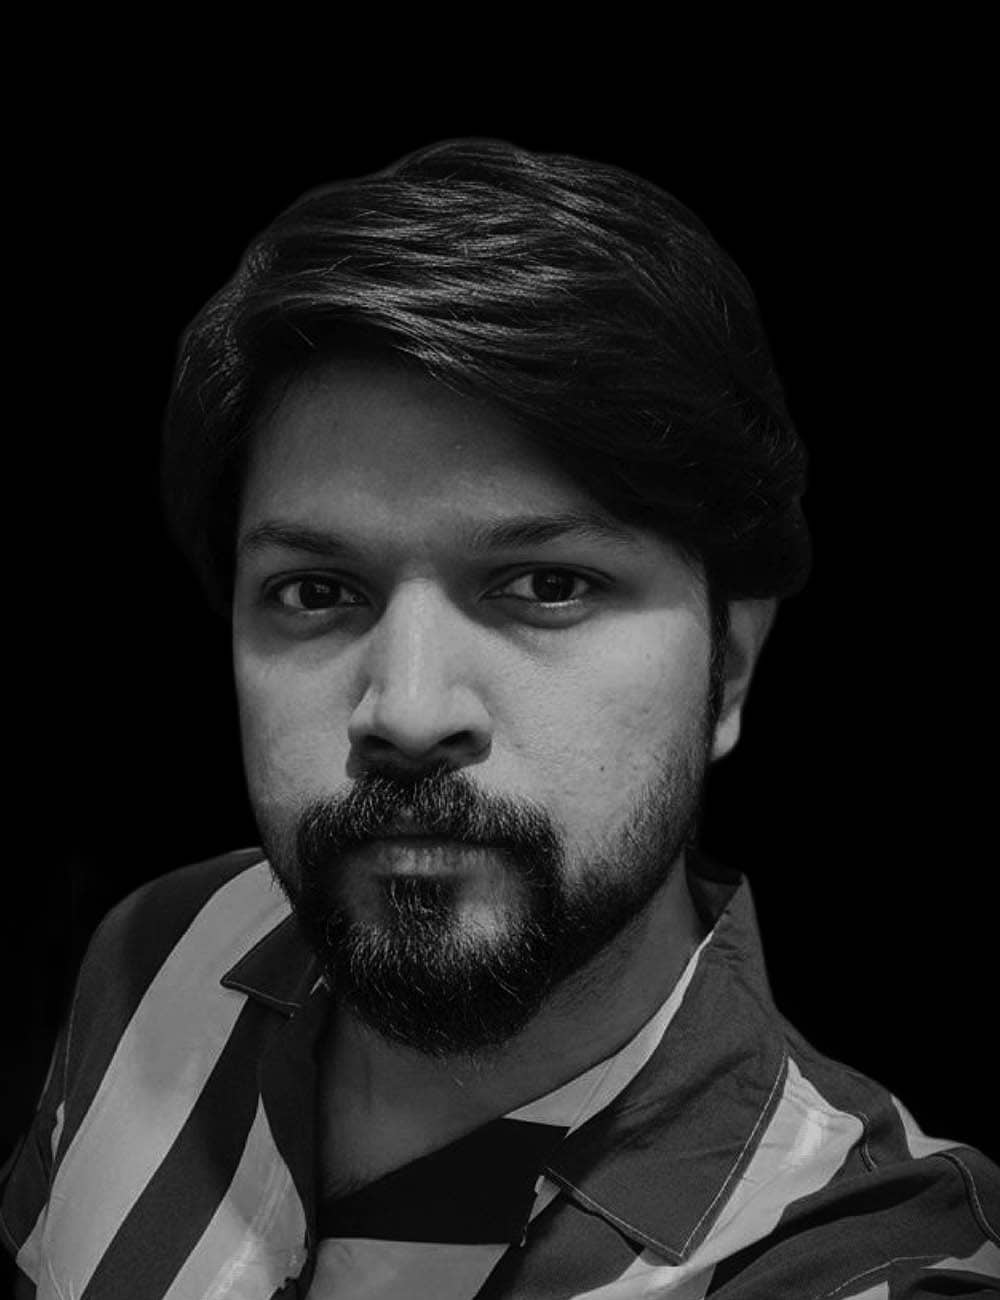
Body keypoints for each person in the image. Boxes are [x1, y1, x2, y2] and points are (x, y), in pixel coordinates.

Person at [2, 139, 997, 1300]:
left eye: (547, 584)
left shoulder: (867, 1257)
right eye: (316, 591)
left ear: (726, 668)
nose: (409, 710)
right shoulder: (159, 949)